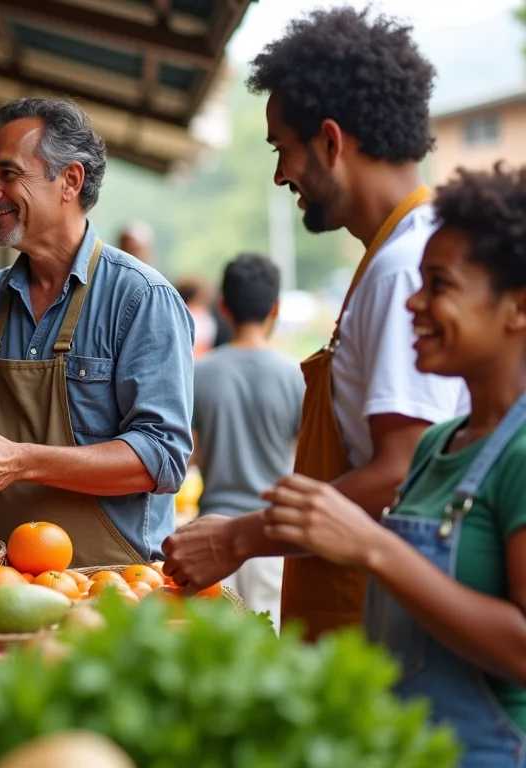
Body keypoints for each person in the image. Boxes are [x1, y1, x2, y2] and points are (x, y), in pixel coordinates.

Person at [162, 6, 468, 641]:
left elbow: (400, 468)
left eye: (284, 150)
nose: (280, 175)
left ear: (331, 141)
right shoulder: (393, 256)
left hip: (374, 625)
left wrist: (239, 537)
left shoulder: (404, 270)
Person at [262, 164, 526, 764]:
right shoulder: (439, 446)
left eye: (439, 285)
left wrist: (376, 549)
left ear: (516, 307)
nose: (413, 300)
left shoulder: (519, 454)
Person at [0, 97, 195, 567]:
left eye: (8, 174)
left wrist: (22, 461)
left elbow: (160, 456)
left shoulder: (140, 299)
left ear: (70, 181)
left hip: (110, 587)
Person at [192, 255, 304, 626]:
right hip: (271, 534)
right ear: (275, 308)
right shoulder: (297, 376)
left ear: (224, 307)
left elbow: (185, 455)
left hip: (210, 537)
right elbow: (306, 458)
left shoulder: (199, 373)